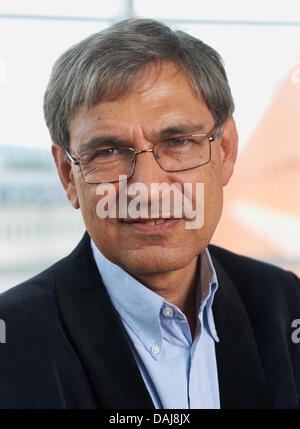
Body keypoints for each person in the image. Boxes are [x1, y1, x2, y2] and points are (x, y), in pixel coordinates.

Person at [0, 18, 299, 409]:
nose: (147, 188)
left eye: (178, 142)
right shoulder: (13, 344)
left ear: (225, 151)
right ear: (67, 176)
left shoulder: (287, 304)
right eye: (107, 151)